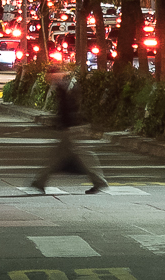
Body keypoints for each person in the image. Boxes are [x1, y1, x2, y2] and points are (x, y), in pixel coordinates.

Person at [31, 66, 108, 194]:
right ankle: (39, 182)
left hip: (73, 128)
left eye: (49, 75)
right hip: (70, 127)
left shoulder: (67, 86)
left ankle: (99, 181)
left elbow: (71, 107)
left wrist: (68, 125)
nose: (48, 79)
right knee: (58, 157)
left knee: (83, 156)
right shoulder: (63, 86)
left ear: (55, 74)